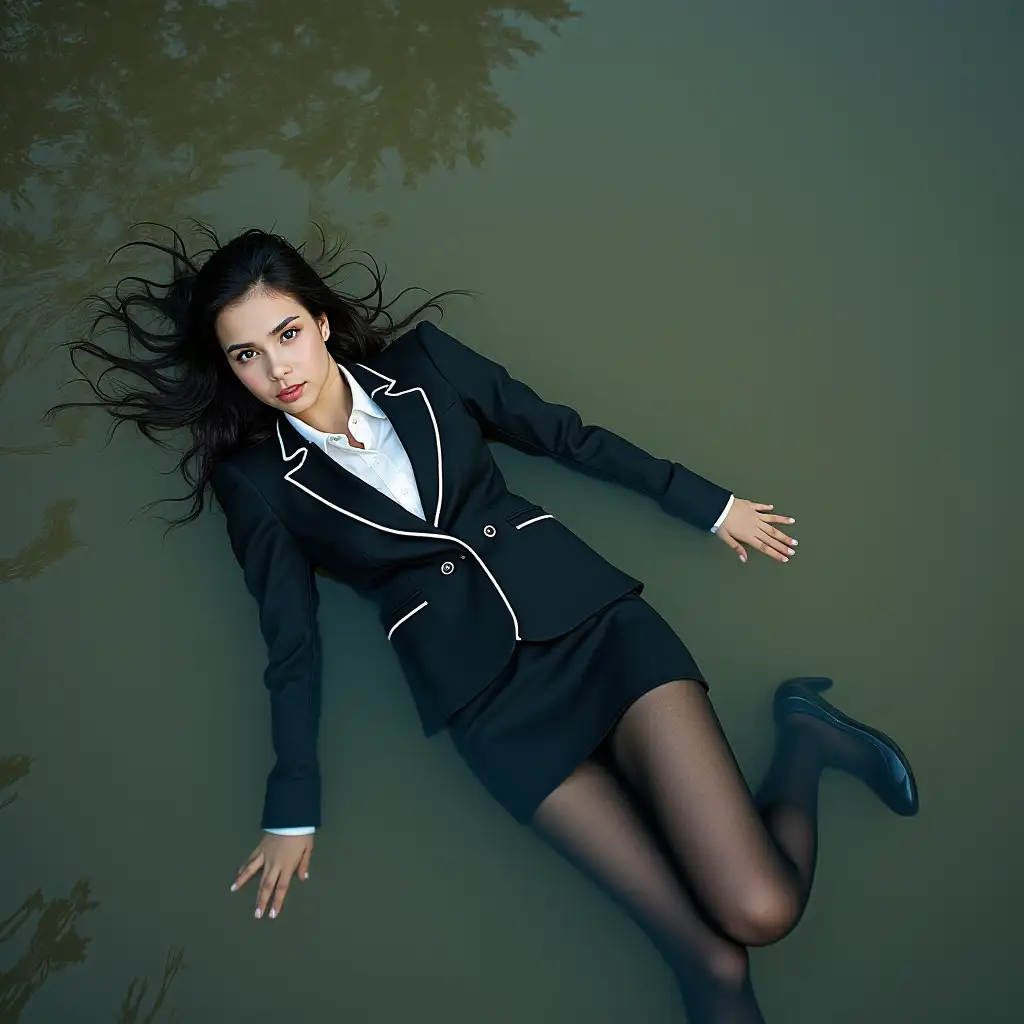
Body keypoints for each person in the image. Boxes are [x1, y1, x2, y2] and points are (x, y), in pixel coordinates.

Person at [51, 224, 919, 1023]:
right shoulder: (256, 485)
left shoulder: (428, 367)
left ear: (318, 321)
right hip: (489, 705)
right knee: (713, 966)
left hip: (595, 630)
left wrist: (707, 504)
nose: (276, 368)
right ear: (229, 367)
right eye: (245, 354)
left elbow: (566, 436)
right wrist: (292, 806)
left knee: (758, 910)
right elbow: (292, 645)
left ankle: (806, 739)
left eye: (285, 335)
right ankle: (804, 740)